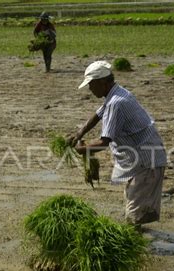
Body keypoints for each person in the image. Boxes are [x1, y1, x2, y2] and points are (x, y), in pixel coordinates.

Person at [69, 61, 167, 229]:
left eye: (91, 85)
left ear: (102, 82)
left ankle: (135, 246)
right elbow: (98, 114)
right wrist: (80, 133)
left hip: (145, 162)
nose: (90, 89)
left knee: (134, 216)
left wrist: (82, 149)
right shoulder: (116, 93)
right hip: (142, 159)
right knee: (134, 205)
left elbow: (104, 142)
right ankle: (139, 238)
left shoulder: (117, 103)